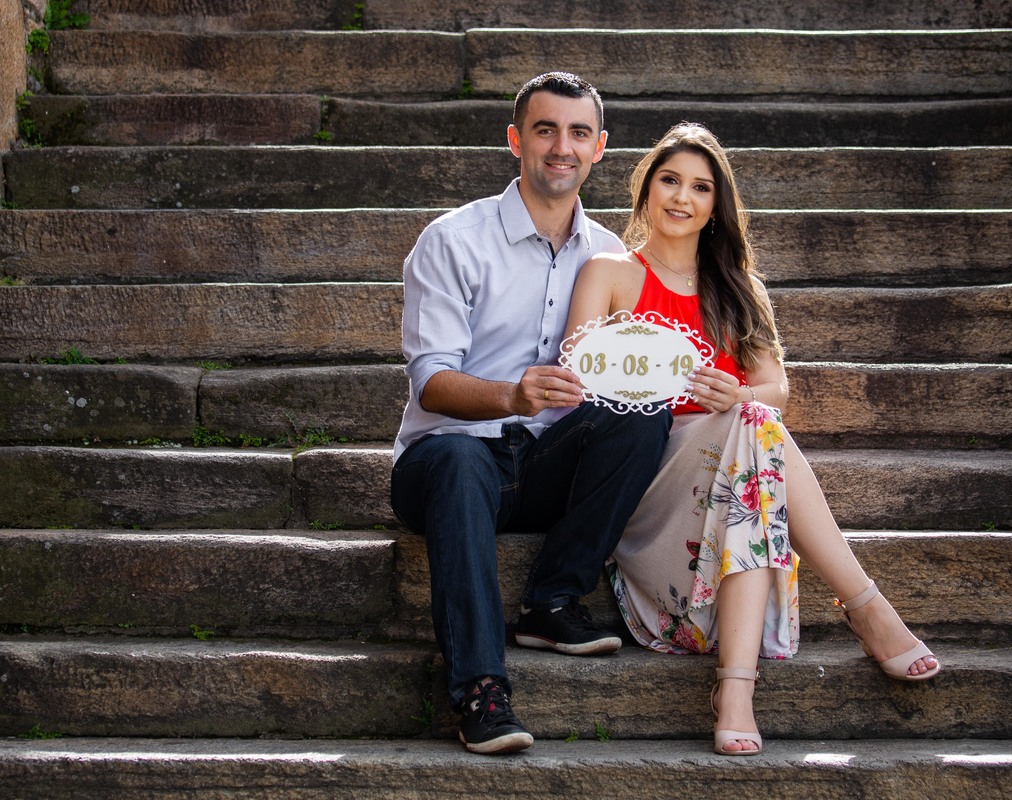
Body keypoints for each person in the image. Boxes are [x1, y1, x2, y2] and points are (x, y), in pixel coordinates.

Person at [563, 122, 940, 758]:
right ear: (646, 189)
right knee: (757, 433)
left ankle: (736, 688)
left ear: (717, 205)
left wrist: (734, 395)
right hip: (648, 478)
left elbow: (775, 391)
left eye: (700, 187)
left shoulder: (740, 288)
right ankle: (865, 605)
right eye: (670, 180)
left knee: (756, 427)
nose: (682, 197)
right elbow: (580, 382)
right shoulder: (610, 272)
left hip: (735, 473)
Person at [389, 72, 672, 755]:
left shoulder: (612, 255)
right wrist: (511, 396)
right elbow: (431, 383)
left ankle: (551, 600)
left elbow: (624, 374)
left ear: (600, 147)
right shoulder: (454, 239)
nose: (561, 147)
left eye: (578, 133)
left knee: (643, 414)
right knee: (460, 456)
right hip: (447, 463)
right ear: (517, 139)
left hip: (544, 466)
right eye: (545, 130)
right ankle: (480, 691)